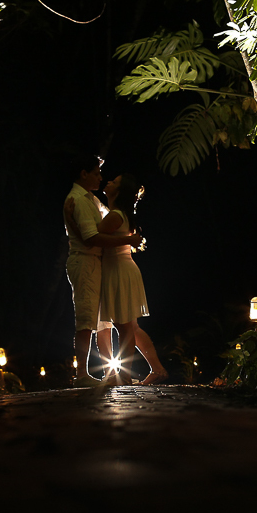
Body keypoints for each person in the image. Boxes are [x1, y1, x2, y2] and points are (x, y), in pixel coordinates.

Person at [63, 153, 142, 388]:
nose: (101, 177)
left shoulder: (90, 199)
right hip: (87, 261)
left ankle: (111, 372)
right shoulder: (79, 199)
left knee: (106, 321)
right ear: (83, 174)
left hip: (99, 263)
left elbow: (103, 226)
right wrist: (129, 241)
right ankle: (83, 375)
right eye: (96, 173)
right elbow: (91, 238)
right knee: (88, 318)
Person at [96, 173, 169, 385]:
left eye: (114, 182)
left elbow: (94, 239)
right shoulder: (122, 214)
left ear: (119, 192)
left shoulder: (116, 215)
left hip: (118, 270)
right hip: (124, 268)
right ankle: (157, 369)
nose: (108, 182)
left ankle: (125, 376)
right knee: (131, 327)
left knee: (124, 327)